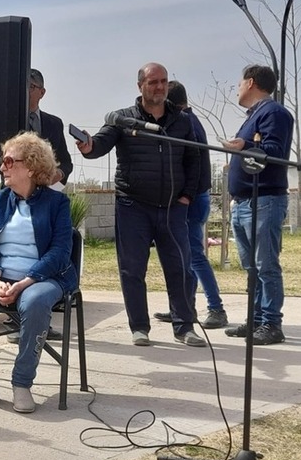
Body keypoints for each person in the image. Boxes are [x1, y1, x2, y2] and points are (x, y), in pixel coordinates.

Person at [76, 62, 206, 348]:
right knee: (132, 269)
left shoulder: (182, 121)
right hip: (133, 206)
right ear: (140, 87)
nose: (159, 87)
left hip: (173, 208)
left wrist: (187, 196)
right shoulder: (123, 119)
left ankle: (184, 326)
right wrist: (87, 147)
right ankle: (140, 327)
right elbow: (99, 145)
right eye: (153, 82)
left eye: (163, 81)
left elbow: (194, 159)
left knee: (180, 268)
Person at [0, 131, 78, 413]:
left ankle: (22, 384)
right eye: (2, 161)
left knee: (34, 302)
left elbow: (60, 253)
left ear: (31, 167)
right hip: (0, 276)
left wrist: (23, 283)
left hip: (43, 277)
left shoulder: (58, 204)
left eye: (9, 161)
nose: (1, 167)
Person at [221, 65, 293, 345]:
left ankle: (271, 323)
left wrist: (245, 145)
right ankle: (256, 320)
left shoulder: (274, 113)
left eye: (239, 82)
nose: (237, 88)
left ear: (250, 83)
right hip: (244, 203)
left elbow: (275, 151)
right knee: (252, 267)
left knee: (266, 265)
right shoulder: (254, 116)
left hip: (264, 199)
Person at [152, 81, 229, 328]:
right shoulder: (191, 120)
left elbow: (189, 165)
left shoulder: (185, 122)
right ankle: (185, 308)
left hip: (192, 200)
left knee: (194, 255)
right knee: (186, 256)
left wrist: (184, 195)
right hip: (196, 197)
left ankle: (216, 308)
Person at [0, 68, 73, 191]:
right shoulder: (5, 122)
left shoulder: (55, 124)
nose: (24, 91)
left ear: (42, 92)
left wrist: (59, 174)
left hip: (47, 195)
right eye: (21, 86)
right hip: (13, 196)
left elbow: (66, 163)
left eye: (30, 86)